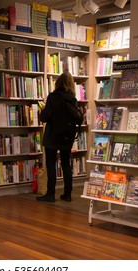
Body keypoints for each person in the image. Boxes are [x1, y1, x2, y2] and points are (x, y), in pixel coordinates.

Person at [36, 72, 78, 203]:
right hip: (67, 136)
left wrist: (42, 111)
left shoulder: (53, 97)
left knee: (51, 164)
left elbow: (45, 117)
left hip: (53, 136)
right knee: (66, 164)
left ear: (58, 83)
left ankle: (50, 194)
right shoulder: (73, 99)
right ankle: (67, 194)